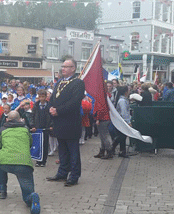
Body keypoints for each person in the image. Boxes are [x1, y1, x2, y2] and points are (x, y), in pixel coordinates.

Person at [47, 59, 85, 187]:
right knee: (62, 150)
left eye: (66, 67)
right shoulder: (59, 83)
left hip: (71, 123)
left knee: (73, 151)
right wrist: (51, 108)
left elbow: (74, 102)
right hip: (59, 122)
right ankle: (62, 172)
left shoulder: (78, 83)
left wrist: (59, 111)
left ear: (73, 68)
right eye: (62, 66)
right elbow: (52, 98)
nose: (62, 69)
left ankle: (74, 175)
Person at [0, 111, 40, 214]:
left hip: (6, 162)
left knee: (2, 163)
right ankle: (30, 197)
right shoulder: (25, 129)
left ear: (7, 119)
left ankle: (2, 190)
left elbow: (0, 145)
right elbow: (30, 143)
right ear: (20, 119)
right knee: (27, 188)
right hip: (23, 162)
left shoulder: (2, 130)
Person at [30, 89, 52, 167]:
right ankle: (38, 160)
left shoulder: (49, 105)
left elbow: (51, 116)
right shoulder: (36, 105)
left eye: (43, 97)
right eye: (40, 97)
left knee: (45, 144)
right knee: (38, 144)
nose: (41, 98)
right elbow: (32, 116)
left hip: (46, 127)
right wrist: (32, 125)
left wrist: (51, 125)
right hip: (37, 127)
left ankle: (43, 161)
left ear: (46, 97)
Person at [110, 86, 131, 158]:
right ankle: (112, 146)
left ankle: (122, 151)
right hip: (122, 121)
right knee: (121, 136)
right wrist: (128, 122)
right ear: (125, 92)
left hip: (121, 121)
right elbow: (124, 113)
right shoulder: (122, 101)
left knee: (123, 136)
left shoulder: (123, 100)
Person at [93, 82, 113, 159]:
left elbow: (101, 108)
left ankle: (109, 151)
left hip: (103, 118)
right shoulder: (106, 95)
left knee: (104, 136)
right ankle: (103, 151)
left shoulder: (102, 96)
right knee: (102, 136)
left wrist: (98, 118)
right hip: (105, 117)